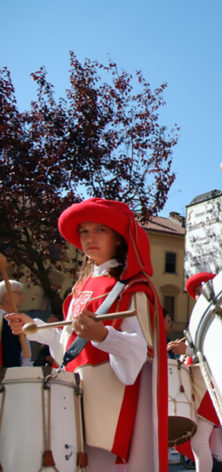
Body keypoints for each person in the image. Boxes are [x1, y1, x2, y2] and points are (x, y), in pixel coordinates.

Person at [5, 198, 168, 471]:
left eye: (100, 230)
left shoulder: (132, 288)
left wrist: (103, 335)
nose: (90, 238)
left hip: (107, 404)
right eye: (84, 231)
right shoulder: (79, 289)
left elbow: (138, 352)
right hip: (70, 397)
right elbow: (67, 348)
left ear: (117, 237)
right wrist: (32, 327)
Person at [168, 271, 222, 472]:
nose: (199, 294)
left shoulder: (217, 314)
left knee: (200, 441)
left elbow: (216, 347)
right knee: (204, 443)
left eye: (201, 289)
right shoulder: (206, 315)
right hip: (200, 382)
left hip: (209, 384)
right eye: (197, 291)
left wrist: (185, 350)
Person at [0, 279, 33, 366]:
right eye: (19, 293)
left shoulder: (20, 320)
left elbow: (25, 355)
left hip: (14, 374)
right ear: (6, 296)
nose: (23, 297)